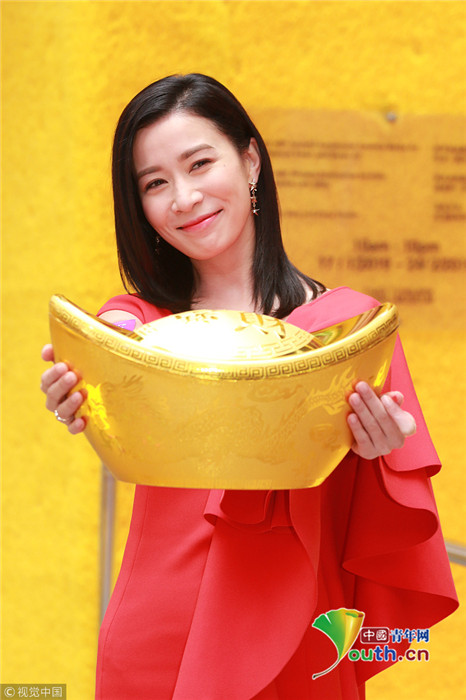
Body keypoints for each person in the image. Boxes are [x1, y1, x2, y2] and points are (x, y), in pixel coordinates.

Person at [41, 74, 457, 700]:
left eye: (199, 164)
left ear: (251, 161)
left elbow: (391, 525)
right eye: (155, 183)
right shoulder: (141, 322)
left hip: (305, 635)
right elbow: (113, 341)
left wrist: (378, 455)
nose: (184, 198)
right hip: (159, 638)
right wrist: (81, 388)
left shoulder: (348, 329)